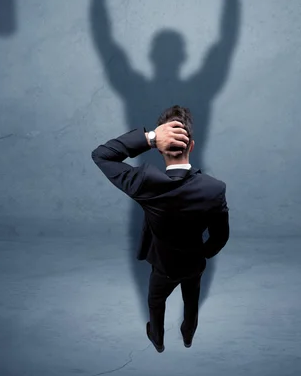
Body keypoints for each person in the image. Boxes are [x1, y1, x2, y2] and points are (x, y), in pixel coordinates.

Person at [91, 105, 229, 352]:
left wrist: (151, 138)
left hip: (163, 267)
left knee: (156, 302)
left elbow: (102, 155)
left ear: (163, 149)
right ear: (192, 146)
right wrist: (202, 253)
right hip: (194, 264)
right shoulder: (214, 188)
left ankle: (157, 338)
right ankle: (188, 334)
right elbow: (220, 236)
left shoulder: (145, 183)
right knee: (191, 300)